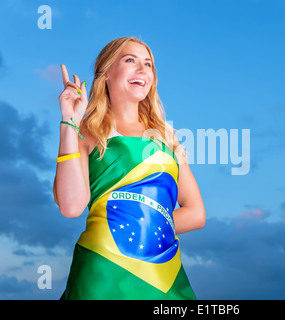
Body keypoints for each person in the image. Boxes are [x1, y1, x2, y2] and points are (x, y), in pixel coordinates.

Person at [53, 36, 206, 299]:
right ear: (107, 73)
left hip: (162, 274)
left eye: (148, 64)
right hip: (103, 268)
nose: (142, 69)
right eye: (130, 60)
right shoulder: (86, 134)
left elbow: (196, 213)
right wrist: (69, 120)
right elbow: (71, 206)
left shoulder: (167, 138)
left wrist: (146, 225)